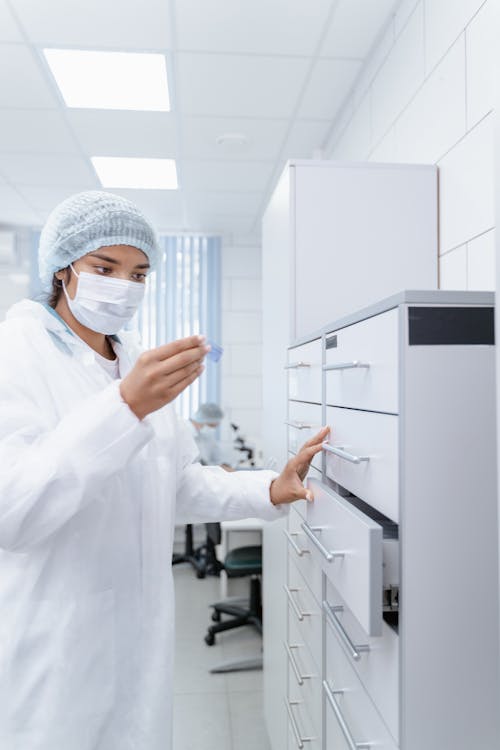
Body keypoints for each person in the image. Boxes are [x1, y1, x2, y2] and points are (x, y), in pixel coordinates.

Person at [0, 190, 329, 750]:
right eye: (105, 267)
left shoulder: (132, 362)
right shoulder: (17, 353)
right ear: (62, 269)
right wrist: (124, 407)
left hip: (138, 640)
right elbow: (15, 515)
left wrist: (271, 488)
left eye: (140, 274)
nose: (123, 285)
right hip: (53, 649)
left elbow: (178, 483)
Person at [189, 401, 227, 466]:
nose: (212, 429)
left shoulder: (207, 436)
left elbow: (218, 458)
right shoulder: (185, 433)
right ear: (203, 420)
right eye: (211, 425)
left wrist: (222, 466)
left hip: (207, 472)